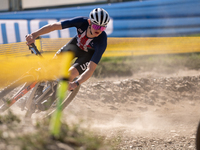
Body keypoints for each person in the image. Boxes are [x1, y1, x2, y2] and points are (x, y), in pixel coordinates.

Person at [26, 8, 110, 91]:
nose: (99, 30)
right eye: (96, 26)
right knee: (50, 66)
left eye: (102, 28)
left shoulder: (102, 41)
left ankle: (52, 100)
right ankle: (38, 90)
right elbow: (54, 26)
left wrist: (76, 83)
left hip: (87, 56)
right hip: (74, 46)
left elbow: (91, 69)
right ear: (89, 22)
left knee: (70, 74)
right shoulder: (81, 22)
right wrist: (34, 35)